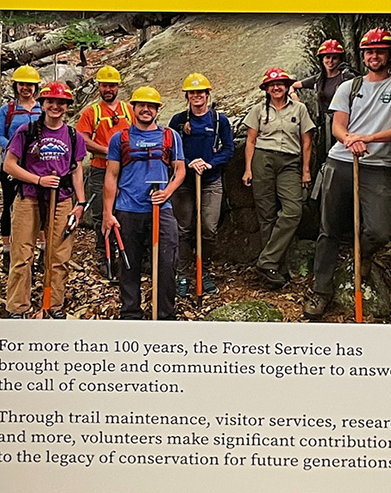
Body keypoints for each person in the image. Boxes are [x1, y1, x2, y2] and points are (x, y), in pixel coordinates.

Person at [306, 28, 391, 320]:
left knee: (380, 230)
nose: (374, 56)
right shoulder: (349, 87)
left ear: (389, 54)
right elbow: (338, 126)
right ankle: (321, 290)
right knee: (328, 229)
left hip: (378, 165)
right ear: (363, 55)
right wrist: (349, 140)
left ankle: (363, 253)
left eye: (380, 51)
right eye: (369, 51)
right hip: (341, 160)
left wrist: (366, 139)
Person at [5, 82, 87, 317]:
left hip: (62, 200)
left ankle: (52, 304)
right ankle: (17, 308)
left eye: (61, 102)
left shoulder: (73, 135)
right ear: (42, 104)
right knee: (22, 254)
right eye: (50, 101)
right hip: (29, 197)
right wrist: (38, 180)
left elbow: (76, 170)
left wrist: (80, 204)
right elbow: (9, 165)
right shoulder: (27, 131)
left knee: (58, 255)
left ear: (67, 106)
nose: (55, 106)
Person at [103, 87, 184, 320]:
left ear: (158, 110)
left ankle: (165, 314)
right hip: (128, 208)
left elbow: (179, 170)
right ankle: (131, 313)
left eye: (151, 106)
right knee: (129, 263)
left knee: (167, 261)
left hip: (161, 209)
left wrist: (167, 192)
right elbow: (111, 176)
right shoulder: (120, 138)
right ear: (134, 108)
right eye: (141, 105)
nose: (146, 109)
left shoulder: (170, 137)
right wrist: (108, 213)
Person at [242, 66, 314, 289]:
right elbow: (251, 141)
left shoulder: (300, 109)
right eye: (272, 84)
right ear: (266, 88)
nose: (276, 87)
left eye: (280, 83)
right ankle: (274, 271)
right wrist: (247, 169)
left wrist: (306, 170)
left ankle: (266, 261)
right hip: (262, 160)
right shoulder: (258, 110)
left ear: (287, 86)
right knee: (266, 215)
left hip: (290, 162)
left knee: (293, 210)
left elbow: (306, 141)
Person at [168, 73, 233, 292]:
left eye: (200, 92)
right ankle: (183, 273)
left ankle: (202, 269)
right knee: (183, 228)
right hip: (184, 181)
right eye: (192, 92)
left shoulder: (219, 120)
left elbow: (228, 148)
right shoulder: (178, 120)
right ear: (187, 95)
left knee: (208, 227)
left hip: (211, 180)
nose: (197, 96)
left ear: (207, 94)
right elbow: (170, 149)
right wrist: (188, 163)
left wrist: (209, 163)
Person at [0, 64, 43, 244]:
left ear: (36, 87)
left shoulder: (41, 109)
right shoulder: (8, 110)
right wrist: (15, 148)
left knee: (40, 204)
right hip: (12, 167)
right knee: (9, 205)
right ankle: (7, 248)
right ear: (16, 86)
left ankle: (42, 248)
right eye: (22, 84)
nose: (26, 88)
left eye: (29, 84)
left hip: (38, 166)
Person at [74, 65, 133, 204]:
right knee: (100, 210)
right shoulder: (91, 113)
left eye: (112, 86)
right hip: (101, 168)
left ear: (118, 86)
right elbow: (82, 139)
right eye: (104, 86)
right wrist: (108, 151)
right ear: (99, 86)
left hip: (127, 168)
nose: (108, 90)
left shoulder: (129, 110)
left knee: (126, 211)